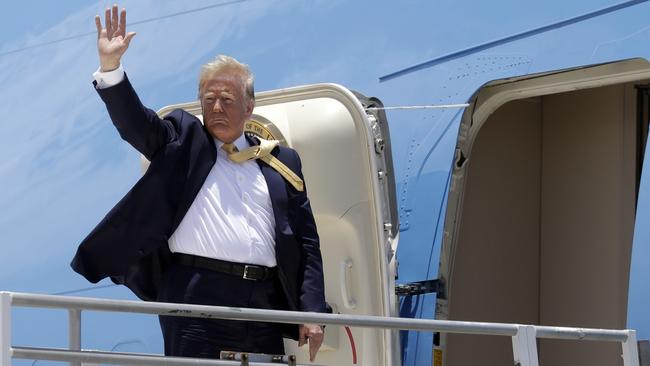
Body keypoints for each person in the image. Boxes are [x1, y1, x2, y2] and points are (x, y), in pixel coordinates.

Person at [71, 5, 327, 361]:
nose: (217, 107)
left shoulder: (281, 162)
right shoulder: (185, 140)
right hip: (195, 297)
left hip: (263, 301)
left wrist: (311, 311)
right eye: (209, 100)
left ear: (249, 106)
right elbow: (137, 126)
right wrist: (112, 69)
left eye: (227, 99)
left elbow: (307, 242)